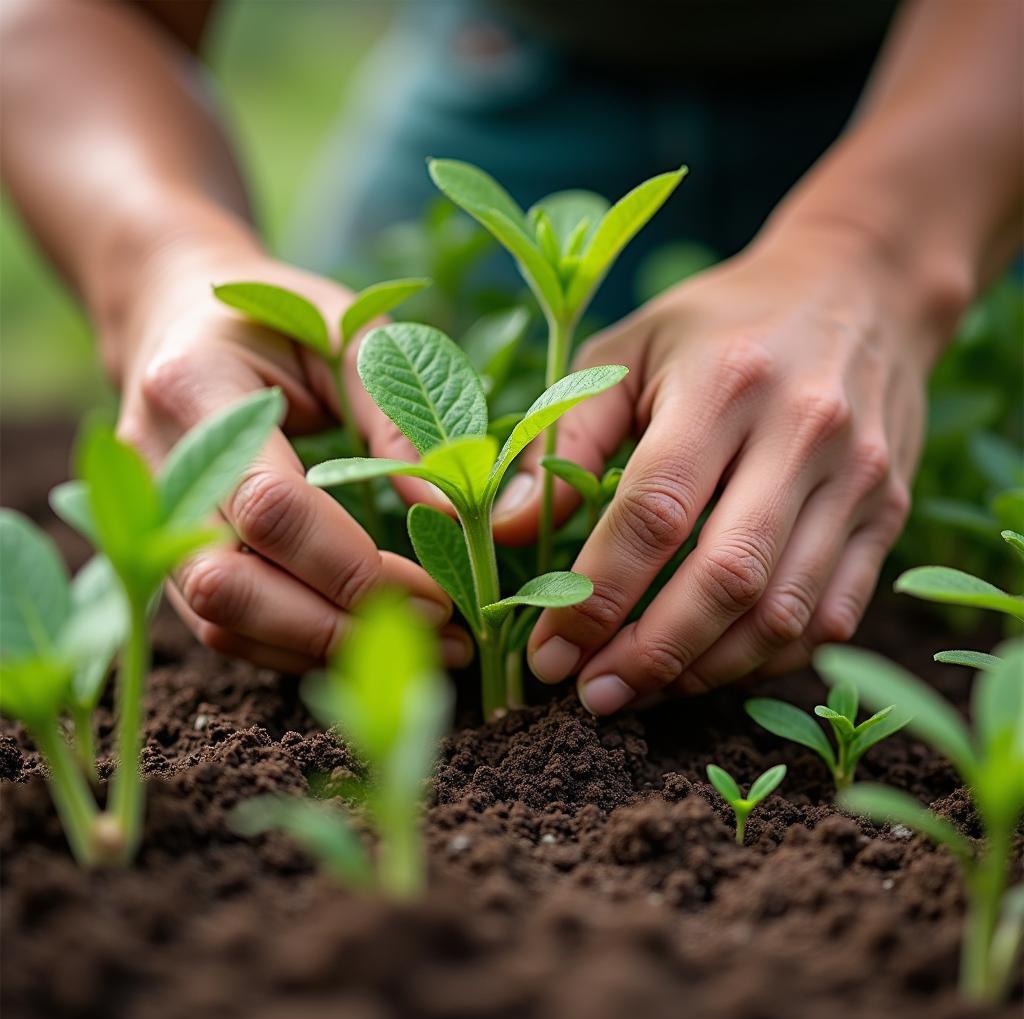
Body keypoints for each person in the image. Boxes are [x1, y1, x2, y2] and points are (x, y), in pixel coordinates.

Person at [2, 0, 1021, 716]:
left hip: (972, 88)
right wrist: (164, 261)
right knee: (324, 460)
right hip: (513, 58)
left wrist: (879, 256)